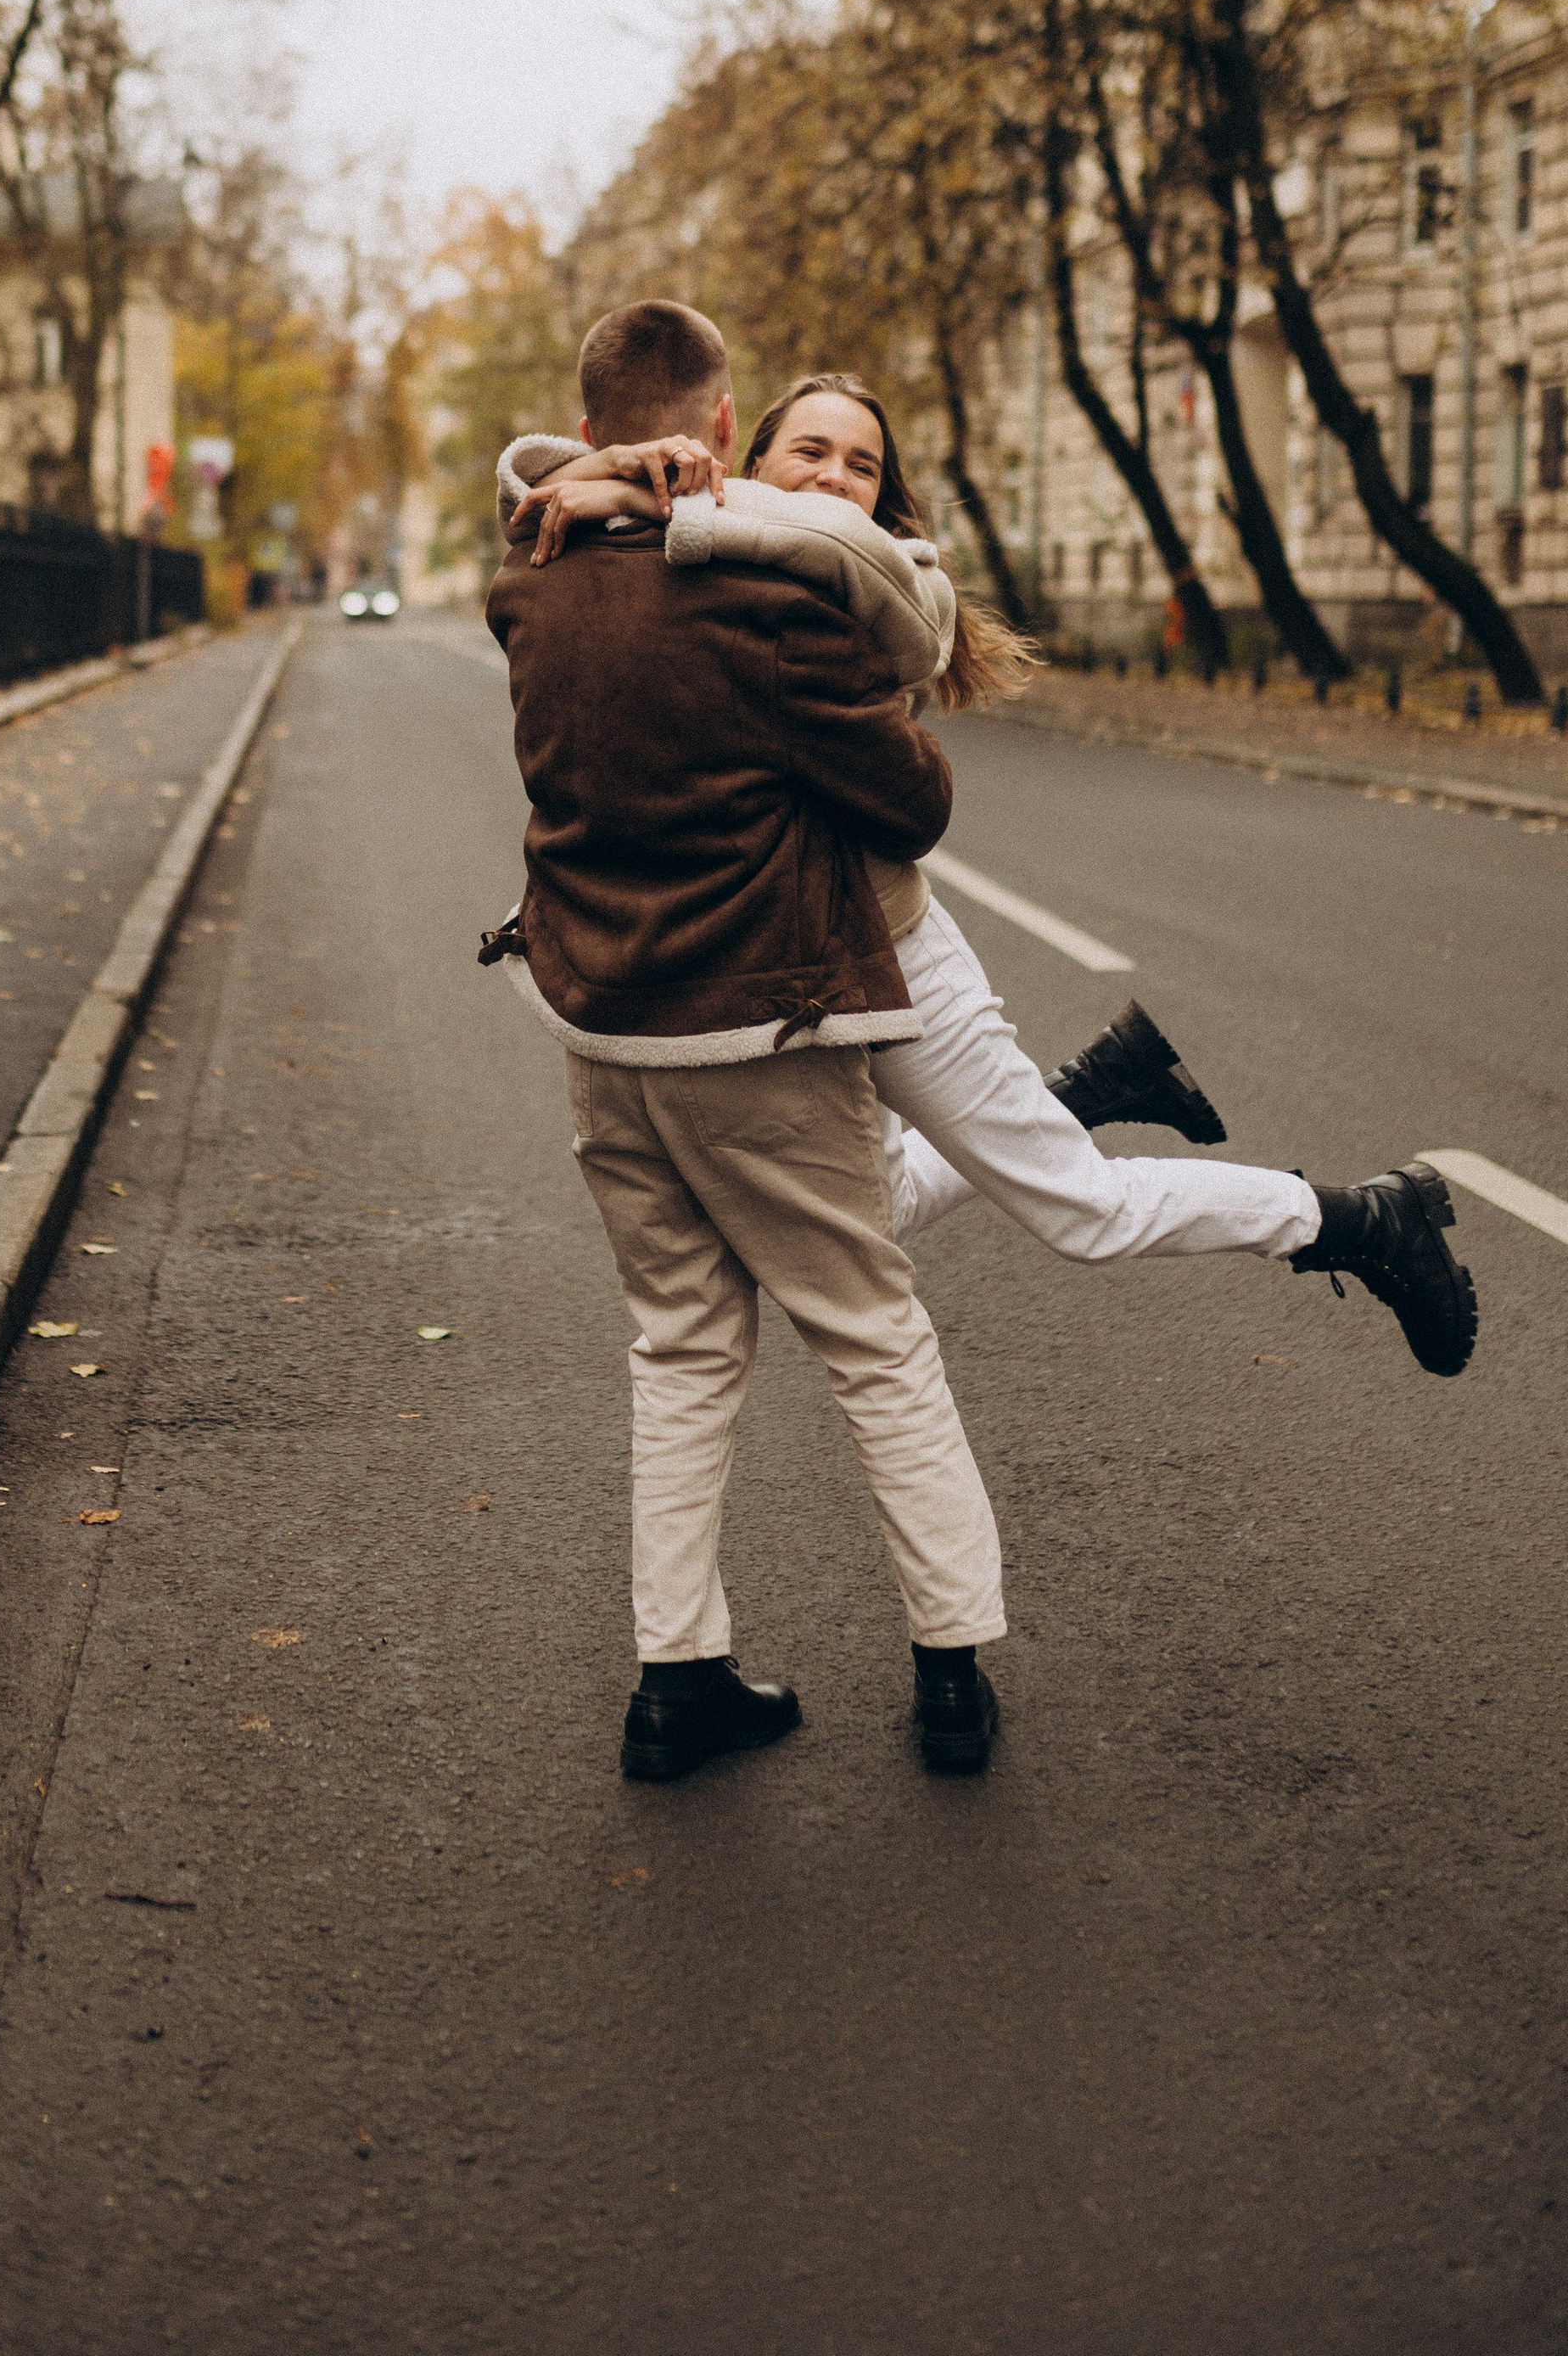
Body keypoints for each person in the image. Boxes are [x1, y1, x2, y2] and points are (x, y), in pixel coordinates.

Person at [496, 358, 1478, 1378]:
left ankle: (1355, 1219)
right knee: (879, 1202)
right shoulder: (743, 551)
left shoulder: (870, 578)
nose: (835, 477)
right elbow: (589, 556)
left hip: (889, 955)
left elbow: (727, 541)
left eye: (862, 465)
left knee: (1084, 1213)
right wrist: (623, 476)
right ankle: (1091, 1085)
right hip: (795, 966)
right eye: (811, 451)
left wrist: (620, 482)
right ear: (747, 456)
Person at [484, 299, 1007, 1785]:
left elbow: (531, 500)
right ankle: (953, 1672)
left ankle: (678, 1679)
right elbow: (914, 805)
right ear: (723, 437)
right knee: (875, 1340)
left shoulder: (527, 588)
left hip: (601, 1031)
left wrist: (575, 489)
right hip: (755, 1029)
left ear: (592, 438)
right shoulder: (771, 609)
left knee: (683, 1349)